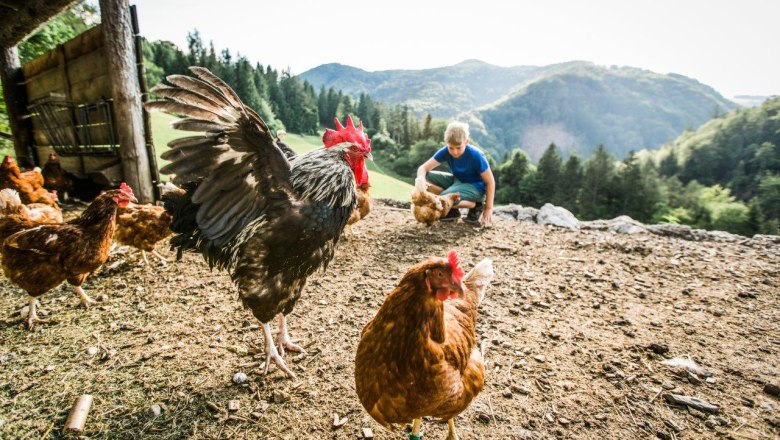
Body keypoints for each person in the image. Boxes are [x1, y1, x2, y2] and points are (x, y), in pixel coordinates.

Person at [416, 121, 495, 227]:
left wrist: (488, 208)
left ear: (466, 142)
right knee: (426, 177)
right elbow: (423, 168)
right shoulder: (446, 151)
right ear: (447, 144)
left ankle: (475, 205)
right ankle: (452, 210)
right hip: (457, 181)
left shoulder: (476, 156)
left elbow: (490, 182)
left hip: (476, 187)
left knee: (442, 200)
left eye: (458, 148)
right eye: (451, 147)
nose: (454, 152)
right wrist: (420, 180)